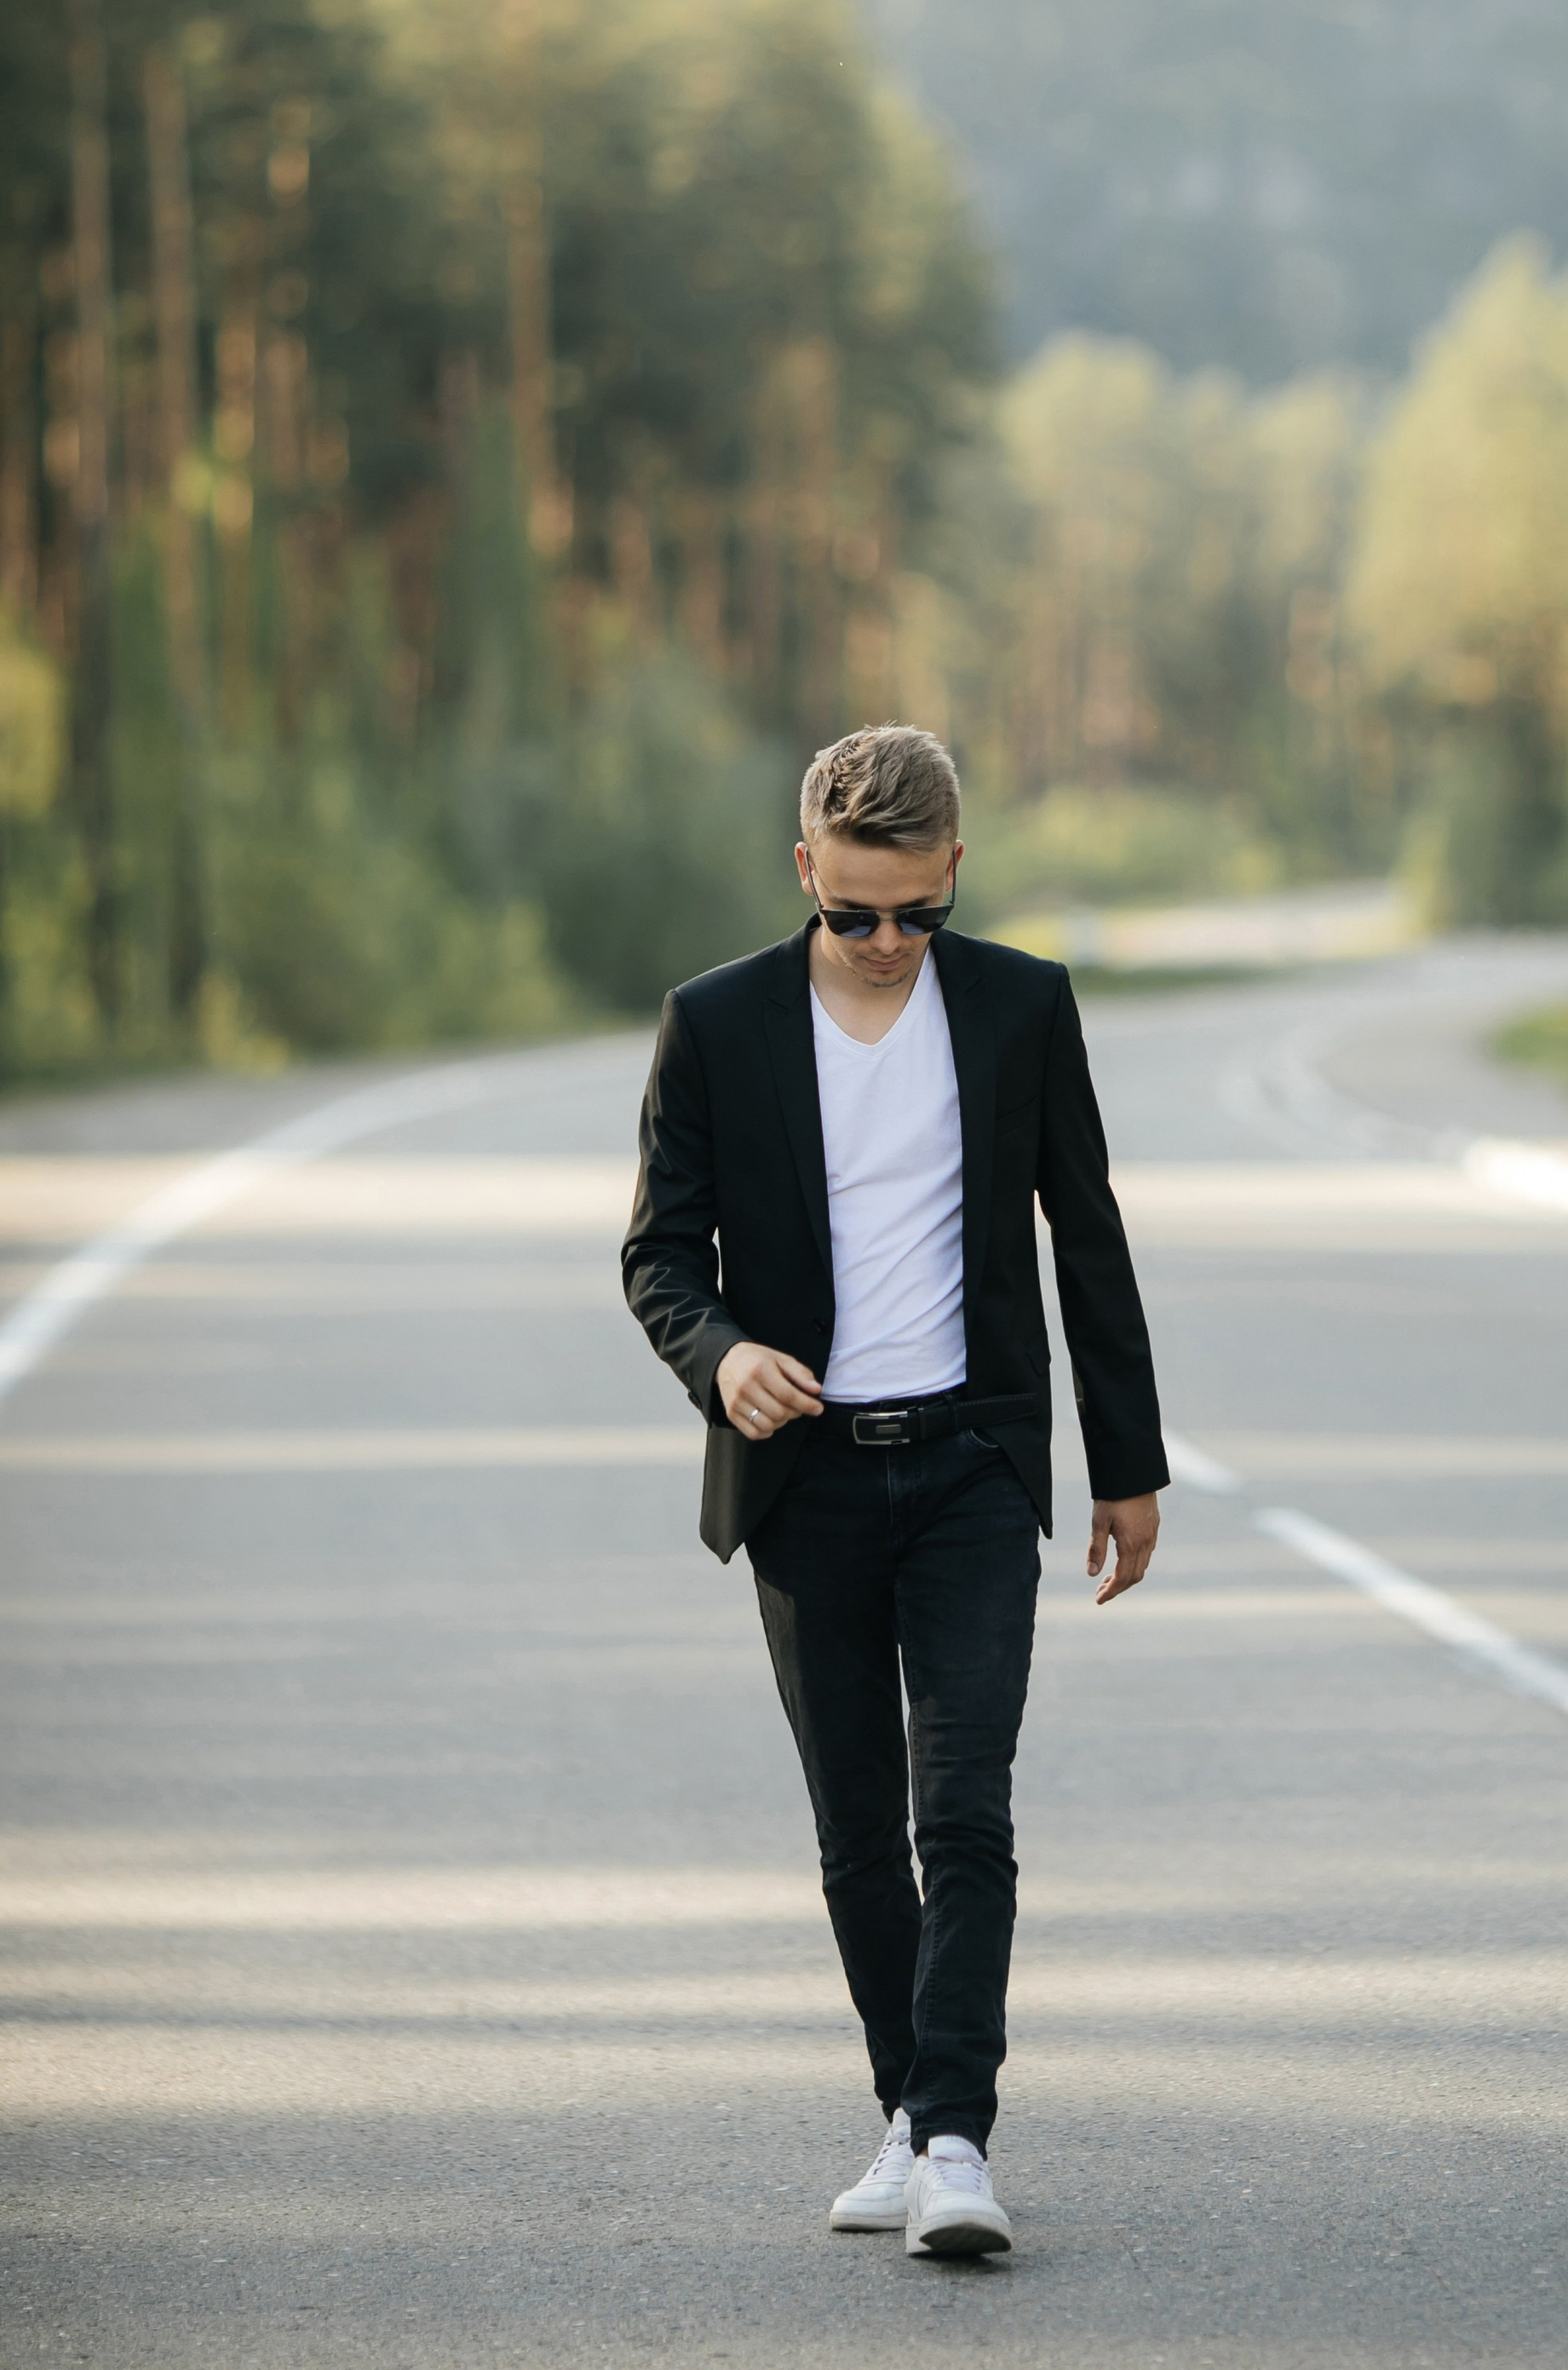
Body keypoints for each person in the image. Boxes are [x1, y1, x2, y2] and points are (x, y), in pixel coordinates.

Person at [622, 722, 1168, 2259]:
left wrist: (1126, 1465)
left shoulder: (1017, 1010)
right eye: (853, 911)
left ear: (954, 879)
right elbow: (659, 1255)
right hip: (804, 1483)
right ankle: (910, 2111)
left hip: (973, 1466)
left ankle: (956, 2139)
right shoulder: (717, 1024)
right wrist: (720, 1355)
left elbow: (1089, 1236)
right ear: (807, 872)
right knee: (858, 1828)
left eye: (913, 915)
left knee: (966, 1812)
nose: (881, 944)